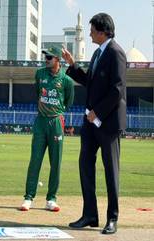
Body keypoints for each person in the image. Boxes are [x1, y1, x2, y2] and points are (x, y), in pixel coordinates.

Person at [62, 13, 126, 234]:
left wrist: (97, 112)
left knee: (111, 171)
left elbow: (117, 90)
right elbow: (90, 82)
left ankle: (112, 219)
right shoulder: (98, 53)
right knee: (85, 167)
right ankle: (90, 214)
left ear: (102, 31)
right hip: (90, 123)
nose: (89, 34)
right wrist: (72, 65)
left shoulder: (116, 53)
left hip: (107, 123)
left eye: (92, 30)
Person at [21, 47, 74, 212]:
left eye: (50, 57)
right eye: (46, 56)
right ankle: (28, 197)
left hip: (56, 122)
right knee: (35, 160)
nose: (46, 59)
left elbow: (68, 101)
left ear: (58, 59)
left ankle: (51, 198)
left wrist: (56, 111)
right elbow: (38, 93)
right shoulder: (40, 74)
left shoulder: (66, 80)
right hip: (41, 122)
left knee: (55, 162)